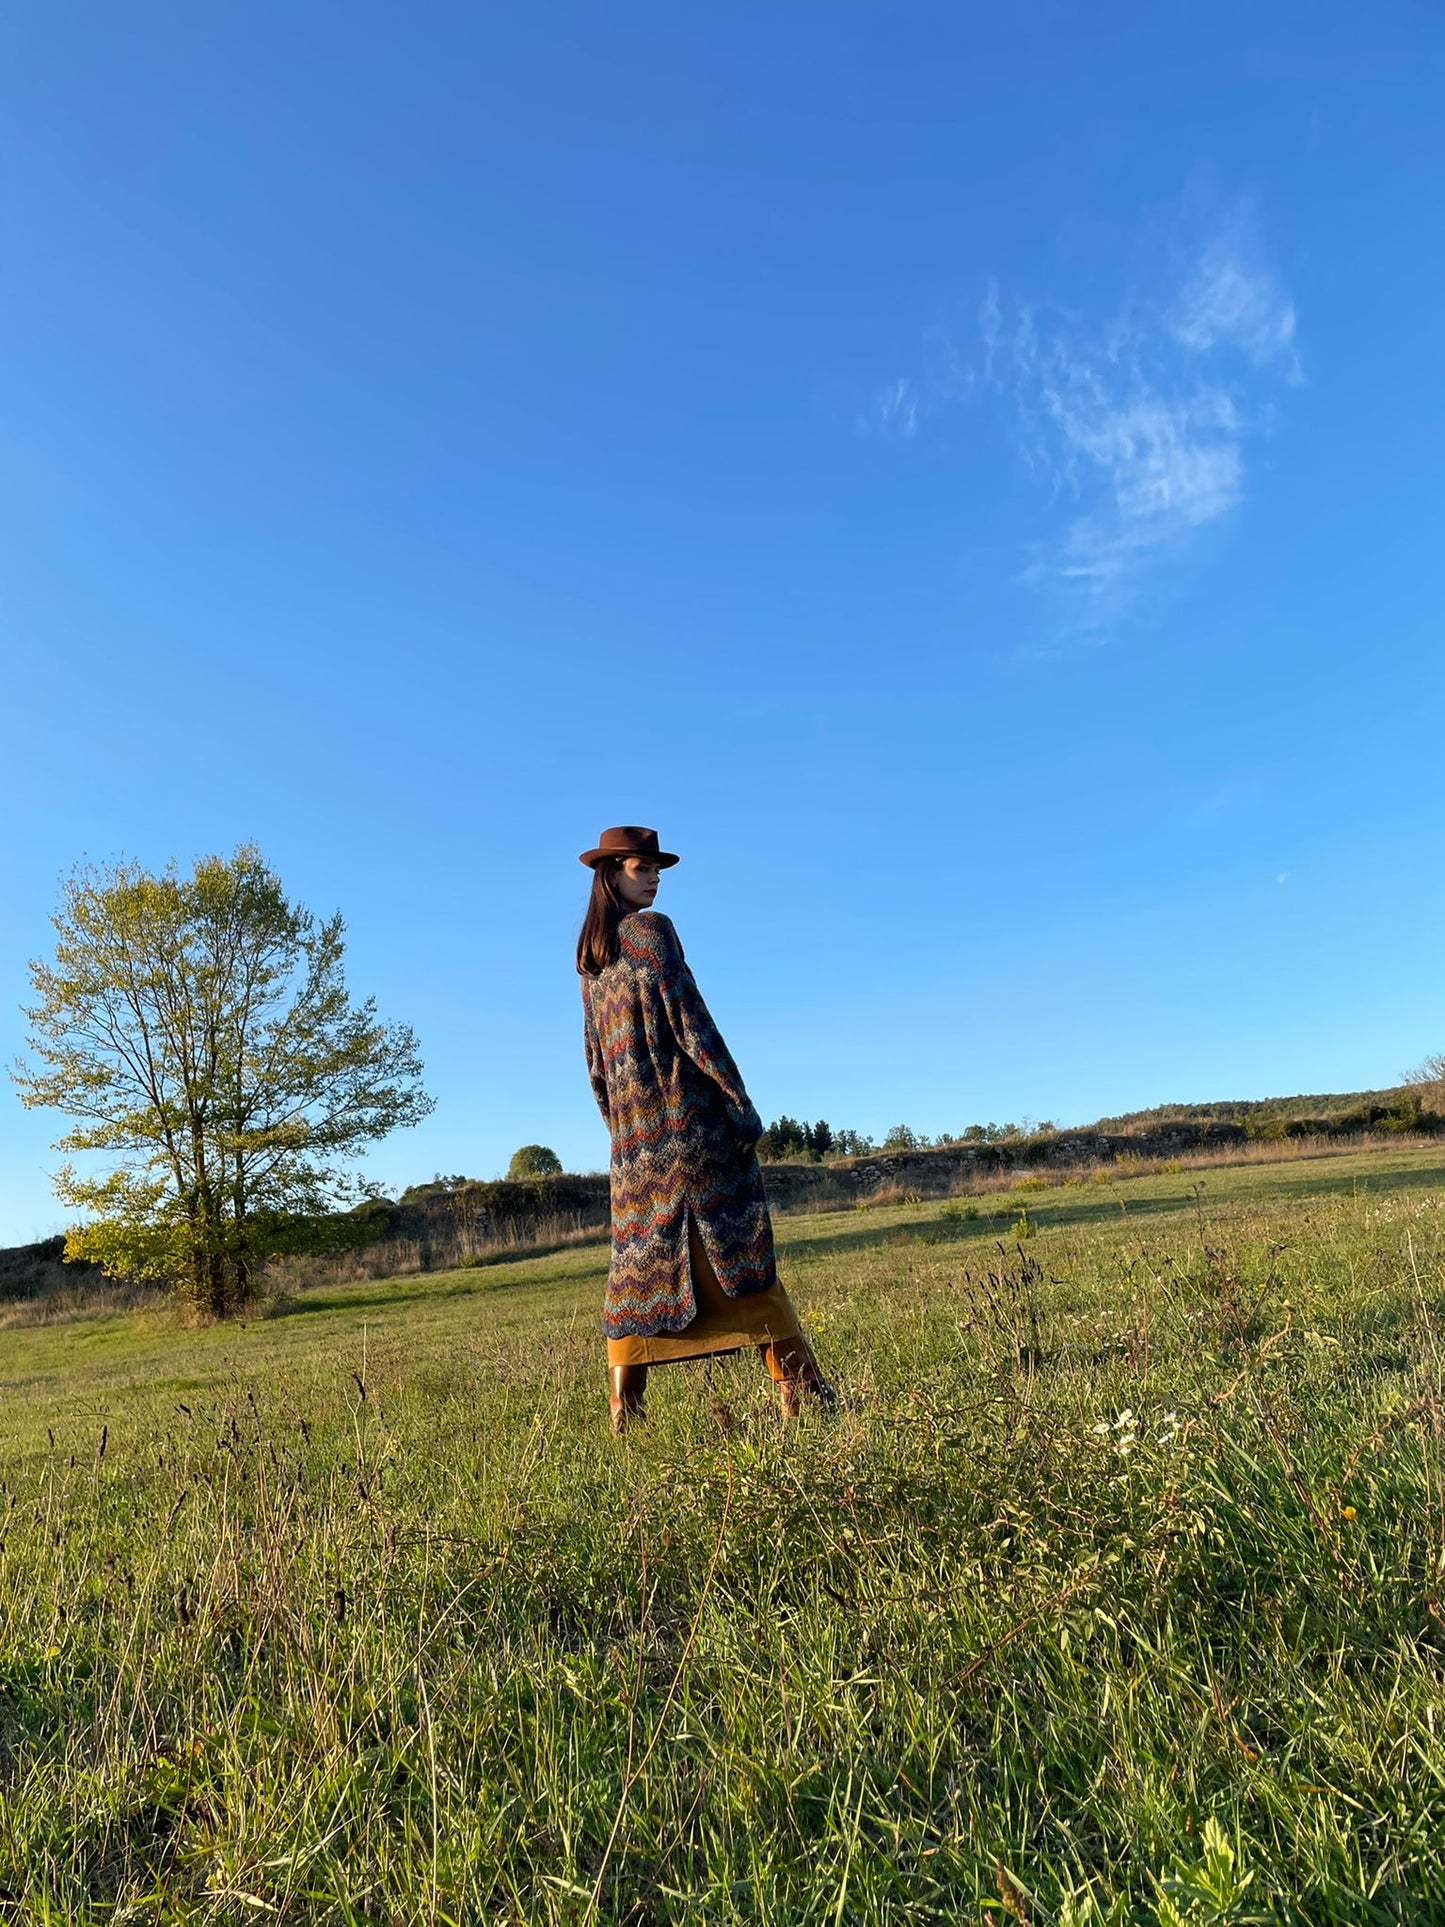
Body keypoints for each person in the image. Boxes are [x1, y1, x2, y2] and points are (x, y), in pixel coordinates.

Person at [577, 825, 835, 1433]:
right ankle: (801, 1393)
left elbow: (594, 1063)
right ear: (612, 872)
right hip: (692, 1130)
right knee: (741, 1257)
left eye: (658, 868)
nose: (655, 876)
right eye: (643, 866)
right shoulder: (651, 933)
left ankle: (625, 1408)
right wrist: (737, 1101)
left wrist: (623, 1133)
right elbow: (691, 1023)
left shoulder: (590, 965)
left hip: (636, 1149)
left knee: (638, 1275)